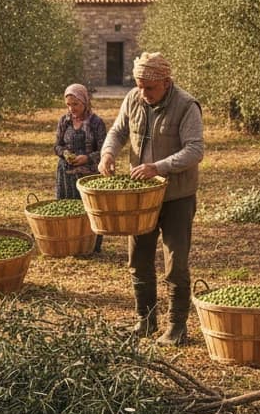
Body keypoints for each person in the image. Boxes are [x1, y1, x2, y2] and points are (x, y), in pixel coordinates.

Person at [99, 52, 204, 345]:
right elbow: (118, 131)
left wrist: (158, 167)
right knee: (139, 259)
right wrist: (107, 153)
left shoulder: (186, 105)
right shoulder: (134, 99)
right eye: (140, 86)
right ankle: (145, 321)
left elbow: (195, 150)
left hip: (176, 196)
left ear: (166, 82)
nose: (144, 93)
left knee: (176, 263)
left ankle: (176, 326)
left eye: (150, 88)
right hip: (141, 197)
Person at [54, 83, 108, 251]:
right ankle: (70, 244)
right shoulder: (64, 121)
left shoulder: (96, 123)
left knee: (89, 210)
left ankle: (90, 246)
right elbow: (57, 146)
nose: (72, 108)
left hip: (88, 176)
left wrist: (87, 158)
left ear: (85, 102)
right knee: (67, 209)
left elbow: (104, 150)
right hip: (66, 174)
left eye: (76, 104)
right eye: (68, 104)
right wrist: (64, 154)